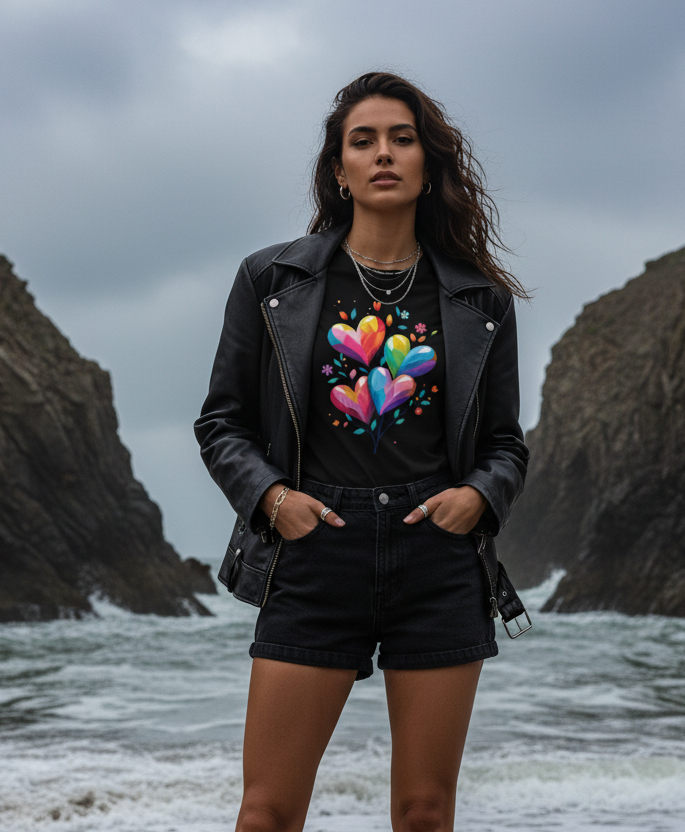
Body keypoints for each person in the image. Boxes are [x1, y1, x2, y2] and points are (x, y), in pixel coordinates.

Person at [194, 71, 529, 832]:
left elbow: (505, 444)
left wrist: (479, 495)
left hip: (437, 555)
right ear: (338, 169)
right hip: (314, 550)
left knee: (423, 813)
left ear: (427, 165)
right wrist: (275, 501)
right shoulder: (272, 279)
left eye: (402, 139)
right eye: (364, 141)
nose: (384, 154)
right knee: (267, 812)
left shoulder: (480, 300)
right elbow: (222, 422)